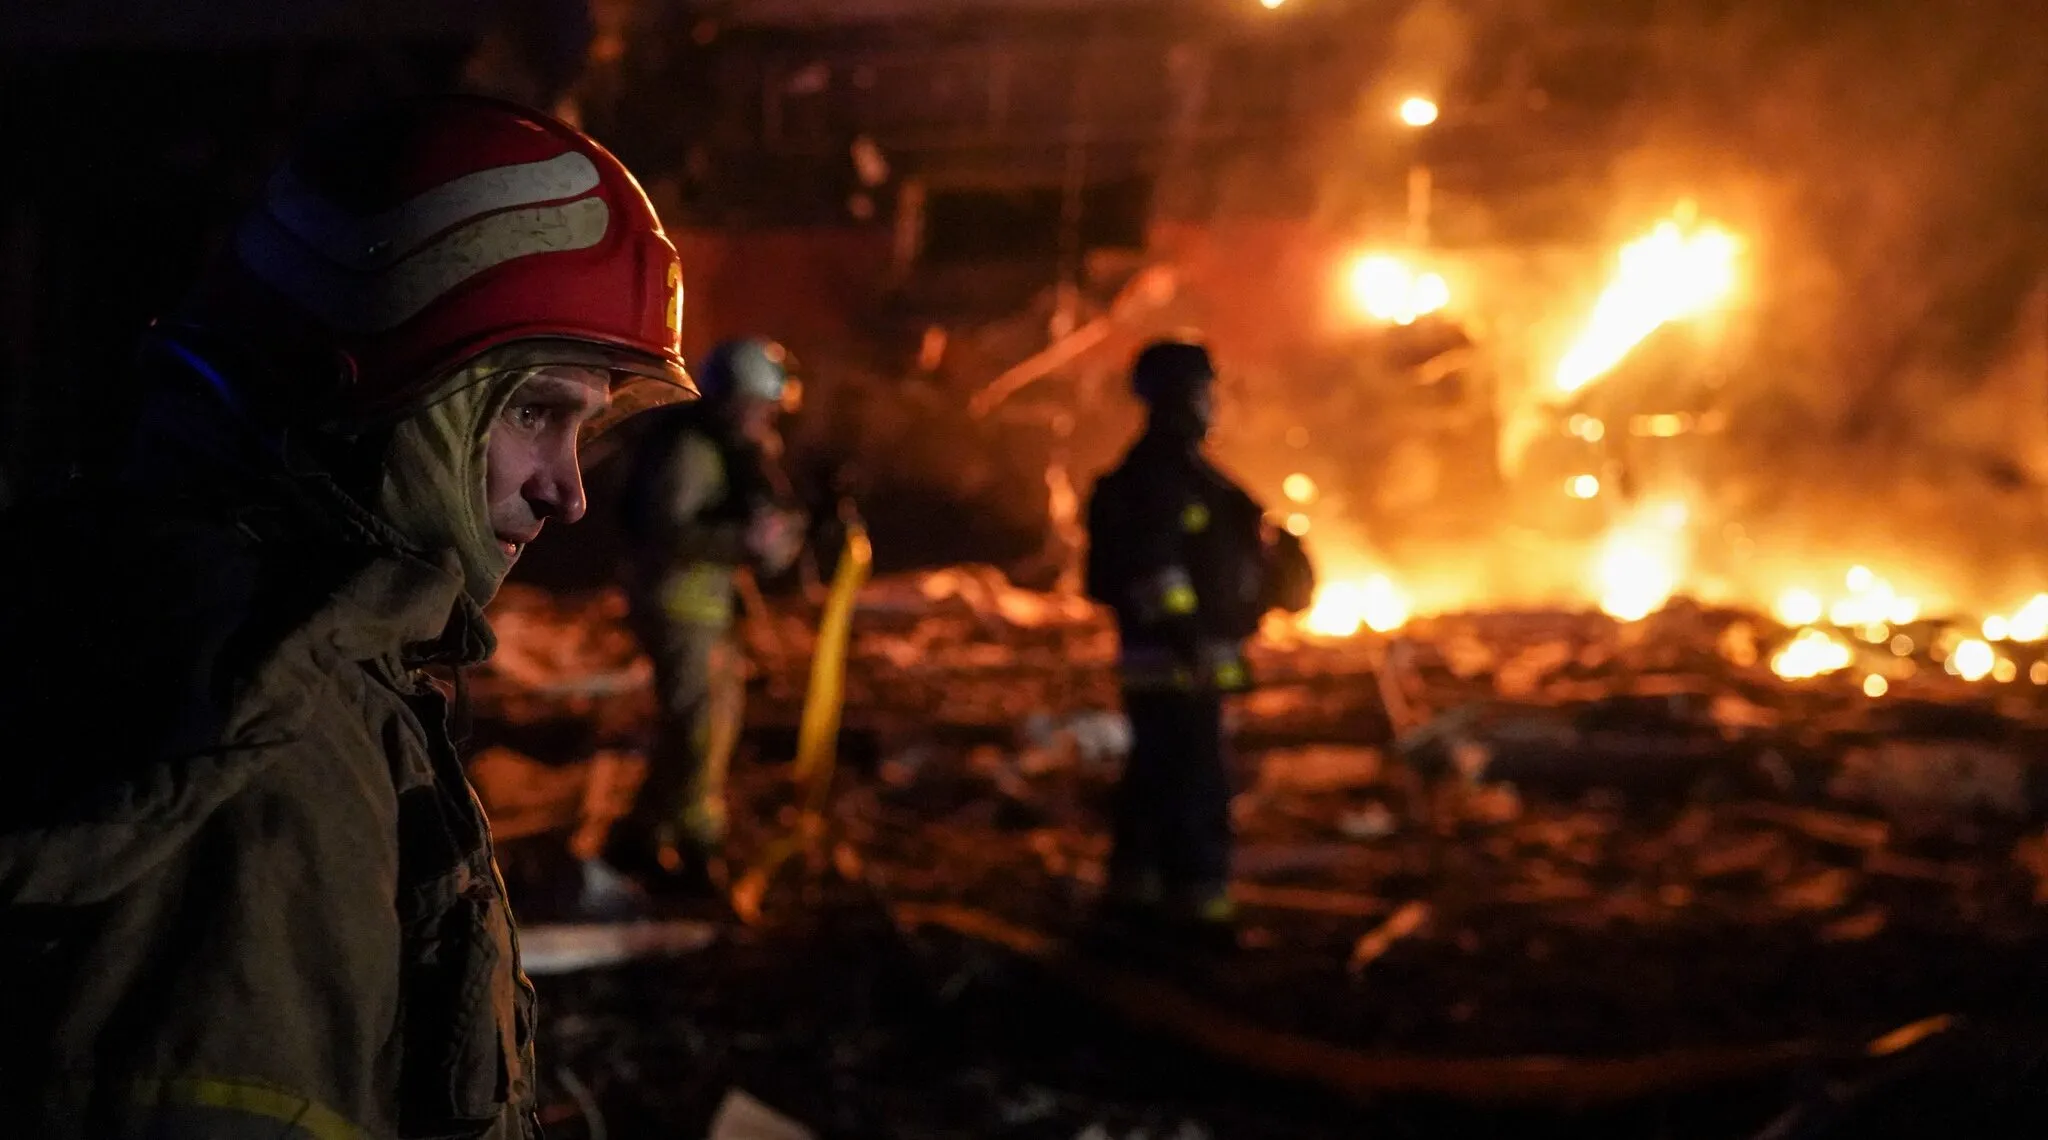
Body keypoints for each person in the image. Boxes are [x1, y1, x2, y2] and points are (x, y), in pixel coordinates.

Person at [0, 95, 692, 1139]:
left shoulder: (188, 631)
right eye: (533, 411)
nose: (568, 492)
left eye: (580, 431)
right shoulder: (272, 754)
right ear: (380, 390)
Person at [1083, 338, 1314, 946]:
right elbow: (1158, 570)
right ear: (1185, 397)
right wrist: (1189, 638)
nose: (1214, 404)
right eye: (1206, 392)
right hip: (1178, 663)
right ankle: (1199, 909)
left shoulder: (1173, 475)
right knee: (1195, 781)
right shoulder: (1165, 480)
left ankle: (1137, 892)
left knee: (1154, 775)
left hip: (1167, 660)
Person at [604, 336, 806, 897]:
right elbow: (664, 531)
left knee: (711, 728)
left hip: (705, 606)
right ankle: (665, 846)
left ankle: (670, 836)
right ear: (735, 400)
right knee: (694, 730)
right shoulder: (689, 448)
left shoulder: (727, 446)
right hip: (677, 607)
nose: (769, 422)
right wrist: (742, 539)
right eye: (763, 408)